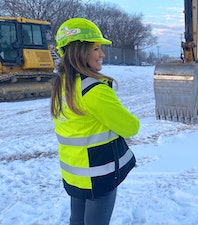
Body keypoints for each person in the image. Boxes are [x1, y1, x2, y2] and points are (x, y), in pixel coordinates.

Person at [50, 18, 140, 225]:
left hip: (75, 173)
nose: (102, 54)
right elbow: (131, 127)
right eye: (96, 48)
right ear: (79, 51)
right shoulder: (94, 90)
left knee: (77, 221)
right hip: (99, 174)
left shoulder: (63, 84)